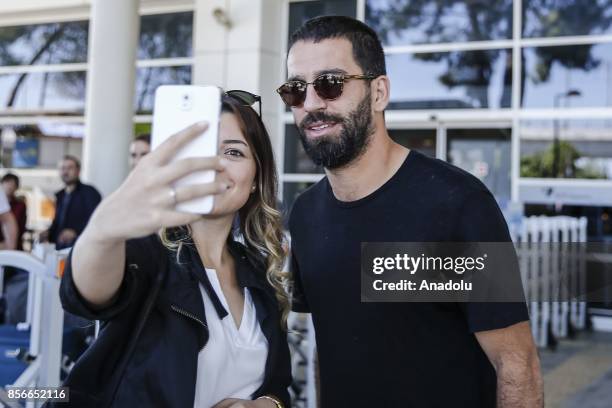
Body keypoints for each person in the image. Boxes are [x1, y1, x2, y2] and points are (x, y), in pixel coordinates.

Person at [280, 16, 543, 407]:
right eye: (296, 90)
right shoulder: (304, 215)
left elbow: (516, 363)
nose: (312, 104)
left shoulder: (457, 204)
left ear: (379, 92)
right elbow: (331, 347)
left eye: (330, 84)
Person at [53, 93, 291, 408]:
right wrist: (102, 231)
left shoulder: (259, 270)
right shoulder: (146, 252)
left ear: (254, 180)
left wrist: (265, 404)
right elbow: (86, 295)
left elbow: (277, 384)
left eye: (233, 152)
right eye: (202, 152)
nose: (214, 165)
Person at [40, 155, 102, 249]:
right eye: (62, 168)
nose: (65, 171)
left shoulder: (90, 193)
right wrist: (48, 233)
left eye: (70, 168)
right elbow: (57, 223)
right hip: (61, 250)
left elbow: (97, 220)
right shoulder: (60, 195)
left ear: (78, 171)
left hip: (82, 249)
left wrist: (75, 232)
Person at [1, 173, 27, 250]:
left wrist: (9, 244)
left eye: (13, 184)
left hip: (13, 243)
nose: (9, 187)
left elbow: (20, 225)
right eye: (7, 183)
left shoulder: (20, 205)